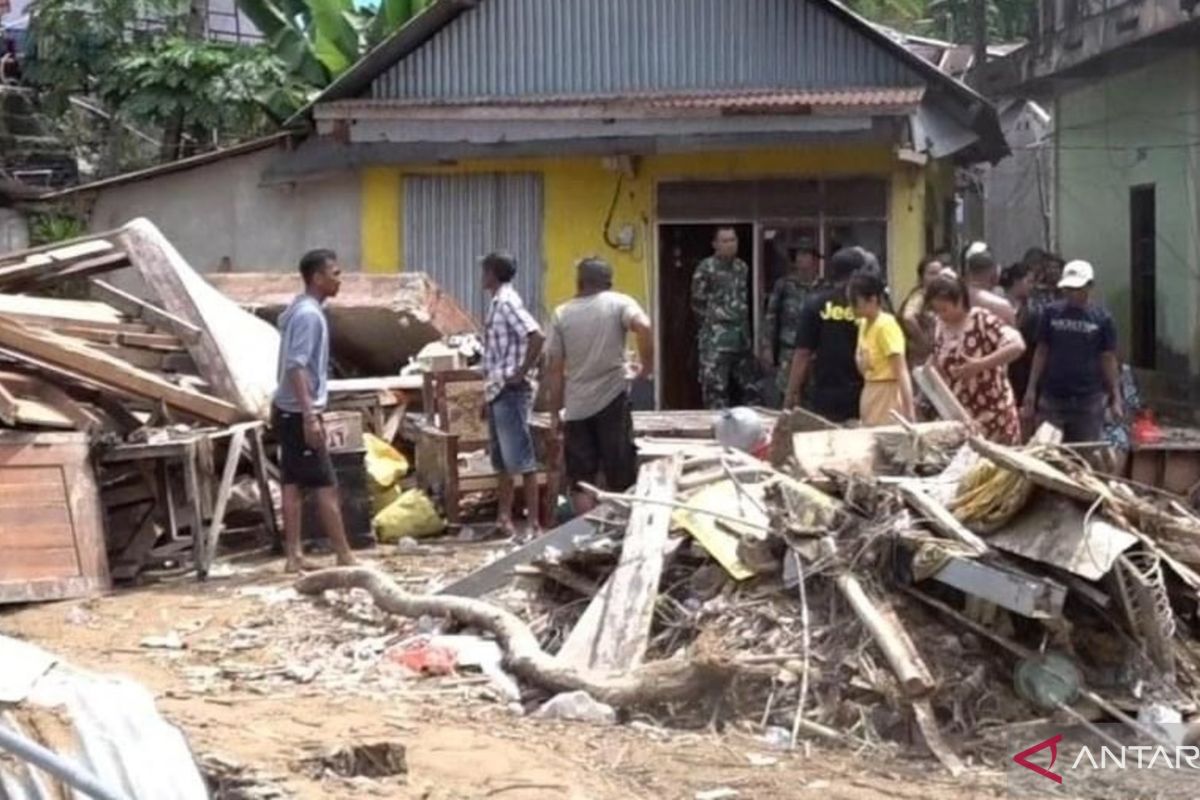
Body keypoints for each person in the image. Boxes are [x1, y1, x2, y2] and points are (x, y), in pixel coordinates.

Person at [272, 249, 356, 574]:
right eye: (335, 273)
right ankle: (344, 554)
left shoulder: (300, 309)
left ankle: (294, 556)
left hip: (288, 410)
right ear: (317, 278)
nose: (339, 279)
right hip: (298, 413)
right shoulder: (309, 316)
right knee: (325, 485)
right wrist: (310, 416)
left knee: (292, 485)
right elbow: (296, 366)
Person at [547, 257, 653, 514]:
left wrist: (554, 413)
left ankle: (588, 537)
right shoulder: (619, 303)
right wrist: (647, 368)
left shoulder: (562, 314)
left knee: (581, 480)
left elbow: (555, 369)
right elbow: (645, 326)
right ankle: (617, 532)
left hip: (577, 408)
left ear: (579, 282)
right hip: (613, 401)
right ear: (609, 282)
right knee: (620, 475)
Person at [481, 251, 546, 538]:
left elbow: (537, 335)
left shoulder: (507, 303)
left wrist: (520, 373)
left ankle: (533, 524)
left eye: (485, 271)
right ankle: (503, 520)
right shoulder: (498, 303)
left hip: (510, 390)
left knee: (521, 459)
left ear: (493, 274)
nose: (482, 277)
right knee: (503, 461)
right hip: (497, 389)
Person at [1022, 260, 1121, 445]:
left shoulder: (1102, 318)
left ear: (1090, 286)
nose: (1073, 294)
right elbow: (1041, 351)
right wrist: (1031, 389)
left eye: (1077, 289)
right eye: (1068, 289)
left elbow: (1108, 358)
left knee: (1087, 452)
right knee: (1046, 450)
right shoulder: (1051, 313)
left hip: (1088, 400)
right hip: (1053, 397)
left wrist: (1116, 396)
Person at [926, 274, 1026, 443]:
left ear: (959, 301)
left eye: (944, 309)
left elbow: (1017, 345)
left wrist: (980, 365)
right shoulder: (940, 326)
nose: (941, 315)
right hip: (961, 417)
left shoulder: (981, 319)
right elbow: (938, 357)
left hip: (993, 413)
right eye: (936, 310)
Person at [783, 247, 867, 422]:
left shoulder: (816, 303)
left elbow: (802, 353)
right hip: (866, 388)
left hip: (826, 391)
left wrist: (791, 393)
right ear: (858, 273)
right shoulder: (872, 304)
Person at [691, 227, 757, 409]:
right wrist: (712, 325)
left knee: (751, 389)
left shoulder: (742, 267)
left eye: (733, 240)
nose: (730, 244)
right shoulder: (706, 268)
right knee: (715, 390)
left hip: (740, 338)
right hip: (716, 339)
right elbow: (698, 303)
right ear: (715, 245)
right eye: (725, 241)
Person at [849, 271, 915, 425]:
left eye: (856, 302)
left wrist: (909, 409)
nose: (852, 307)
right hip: (870, 391)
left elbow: (901, 370)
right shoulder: (863, 324)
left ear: (872, 300)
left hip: (888, 394)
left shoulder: (886, 325)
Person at [761, 240, 821, 402]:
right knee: (788, 394)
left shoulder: (823, 287)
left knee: (813, 397)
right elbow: (771, 316)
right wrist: (767, 347)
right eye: (798, 255)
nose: (800, 259)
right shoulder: (784, 286)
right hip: (789, 349)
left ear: (815, 260)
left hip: (816, 352)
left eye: (805, 255)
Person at [1000, 262, 1039, 406]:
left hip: (1024, 370)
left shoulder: (1033, 310)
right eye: (1028, 281)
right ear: (1017, 281)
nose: (1032, 286)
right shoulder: (998, 305)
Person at [898, 254, 946, 366]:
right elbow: (908, 317)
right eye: (932, 273)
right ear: (921, 277)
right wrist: (924, 342)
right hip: (920, 362)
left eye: (940, 273)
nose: (937, 277)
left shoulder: (940, 296)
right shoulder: (920, 296)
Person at [964, 249, 1016, 325]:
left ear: (967, 272)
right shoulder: (1002, 307)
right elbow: (1011, 336)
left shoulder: (950, 301)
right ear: (995, 276)